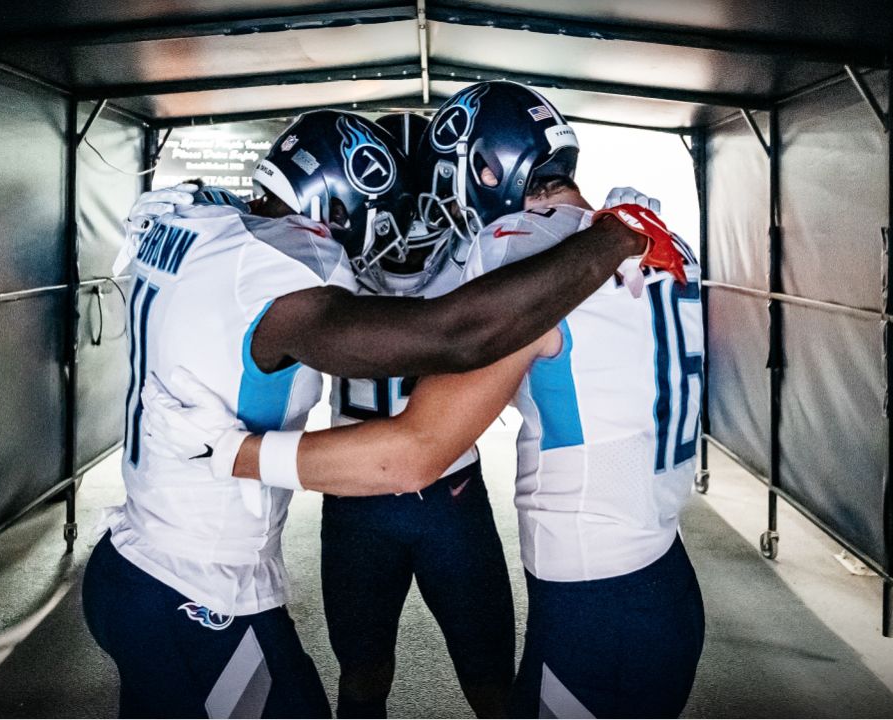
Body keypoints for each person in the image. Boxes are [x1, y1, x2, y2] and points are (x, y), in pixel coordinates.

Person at [143, 83, 705, 718]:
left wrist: (233, 452)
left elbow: (430, 409)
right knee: (365, 670)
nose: (423, 212)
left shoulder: (504, 248)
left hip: (474, 505)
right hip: (642, 554)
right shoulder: (649, 238)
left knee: (487, 673)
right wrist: (612, 225)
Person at [318, 113, 515, 719]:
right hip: (360, 491)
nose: (411, 219)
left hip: (445, 489)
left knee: (489, 676)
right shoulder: (325, 258)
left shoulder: (477, 252)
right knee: (362, 671)